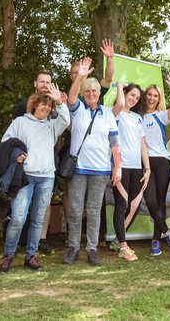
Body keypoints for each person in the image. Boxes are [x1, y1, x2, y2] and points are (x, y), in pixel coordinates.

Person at [0, 84, 69, 273]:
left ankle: (31, 255)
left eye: (49, 106)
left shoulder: (52, 125)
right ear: (34, 105)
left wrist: (60, 102)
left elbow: (66, 120)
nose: (46, 108)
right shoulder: (21, 122)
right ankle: (8, 255)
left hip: (46, 178)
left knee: (38, 219)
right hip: (24, 177)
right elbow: (6, 142)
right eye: (43, 104)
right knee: (18, 218)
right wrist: (16, 154)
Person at [63, 57, 121, 266]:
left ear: (99, 93)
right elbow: (70, 97)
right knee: (76, 210)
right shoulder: (77, 108)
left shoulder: (107, 113)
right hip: (78, 169)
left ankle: (92, 249)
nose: (91, 94)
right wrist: (80, 76)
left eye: (94, 91)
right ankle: (73, 248)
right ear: (83, 93)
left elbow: (115, 142)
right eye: (87, 91)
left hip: (101, 170)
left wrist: (118, 166)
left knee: (95, 211)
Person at [109, 82, 151, 261]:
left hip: (136, 167)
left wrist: (147, 168)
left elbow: (142, 145)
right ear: (124, 94)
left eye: (136, 97)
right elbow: (119, 104)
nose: (133, 99)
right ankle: (124, 246)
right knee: (122, 205)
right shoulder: (114, 113)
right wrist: (119, 86)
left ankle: (118, 240)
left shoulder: (138, 118)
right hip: (120, 166)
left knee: (134, 206)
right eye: (131, 94)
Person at [139, 75, 170, 256]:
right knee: (150, 200)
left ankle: (156, 240)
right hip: (144, 162)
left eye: (155, 96)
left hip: (162, 162)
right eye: (149, 94)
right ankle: (166, 232)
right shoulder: (137, 116)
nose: (152, 98)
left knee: (160, 201)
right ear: (145, 96)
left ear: (158, 99)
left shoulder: (161, 116)